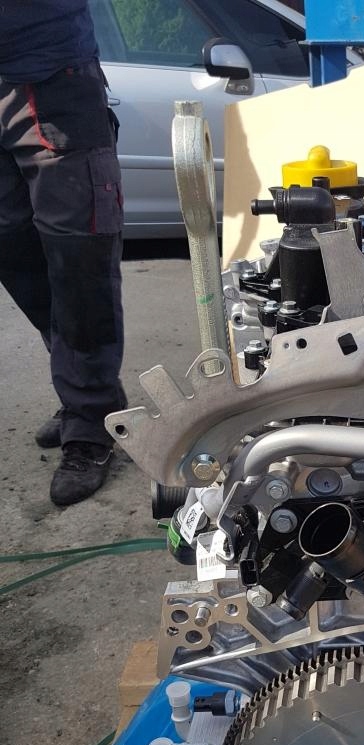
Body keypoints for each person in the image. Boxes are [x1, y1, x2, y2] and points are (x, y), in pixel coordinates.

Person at [0, 1, 126, 506]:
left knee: (80, 266)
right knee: (15, 255)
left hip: (53, 81)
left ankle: (92, 421)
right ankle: (81, 394)